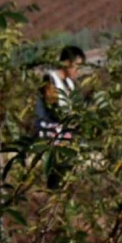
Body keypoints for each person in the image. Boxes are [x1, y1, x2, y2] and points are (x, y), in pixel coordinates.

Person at [34, 45, 86, 190]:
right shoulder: (50, 80)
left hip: (65, 133)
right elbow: (53, 107)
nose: (78, 71)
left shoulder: (70, 84)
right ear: (66, 63)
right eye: (77, 66)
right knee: (57, 169)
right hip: (51, 132)